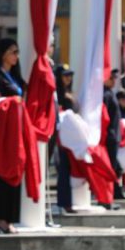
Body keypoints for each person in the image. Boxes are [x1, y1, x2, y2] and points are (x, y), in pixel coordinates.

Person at [0, 38, 25, 234]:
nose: (16, 56)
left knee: (16, 169)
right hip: (5, 129)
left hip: (18, 129)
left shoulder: (15, 77)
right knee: (3, 171)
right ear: (3, 54)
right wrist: (13, 101)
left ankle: (8, 216)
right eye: (13, 52)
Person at [53, 64, 76, 213]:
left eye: (70, 75)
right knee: (62, 169)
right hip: (60, 137)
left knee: (68, 169)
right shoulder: (57, 94)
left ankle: (67, 201)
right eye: (65, 76)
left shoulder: (68, 92)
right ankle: (63, 202)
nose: (68, 79)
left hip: (69, 136)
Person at [103, 68, 125, 200]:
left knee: (116, 167)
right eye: (111, 78)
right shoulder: (105, 95)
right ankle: (112, 193)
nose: (113, 81)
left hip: (114, 135)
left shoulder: (110, 93)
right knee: (113, 167)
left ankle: (115, 192)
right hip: (110, 137)